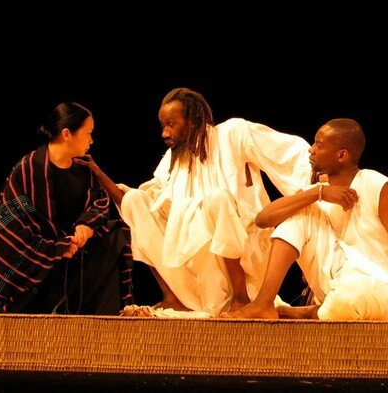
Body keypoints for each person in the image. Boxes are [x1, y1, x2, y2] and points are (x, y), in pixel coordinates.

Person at [221, 118, 388, 321]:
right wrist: (317, 193)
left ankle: (309, 312)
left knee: (349, 297)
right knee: (301, 212)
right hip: (337, 283)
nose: (311, 150)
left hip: (382, 289)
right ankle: (263, 303)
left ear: (342, 155)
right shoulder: (318, 192)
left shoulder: (378, 186)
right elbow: (263, 219)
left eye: (319, 145)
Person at [0, 102, 135, 315]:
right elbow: (11, 227)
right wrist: (57, 248)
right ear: (66, 134)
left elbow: (99, 202)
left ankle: (99, 319)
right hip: (38, 266)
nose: (91, 140)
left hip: (76, 258)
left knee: (116, 234)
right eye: (88, 133)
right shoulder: (28, 170)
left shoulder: (85, 167)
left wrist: (85, 225)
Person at [114, 87, 311, 317]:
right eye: (163, 125)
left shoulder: (233, 133)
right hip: (198, 259)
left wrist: (317, 179)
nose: (164, 133)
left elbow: (287, 153)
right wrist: (109, 182)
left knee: (216, 198)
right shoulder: (173, 159)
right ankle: (174, 297)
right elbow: (153, 199)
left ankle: (240, 297)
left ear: (193, 120)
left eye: (171, 124)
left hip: (244, 248)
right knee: (135, 200)